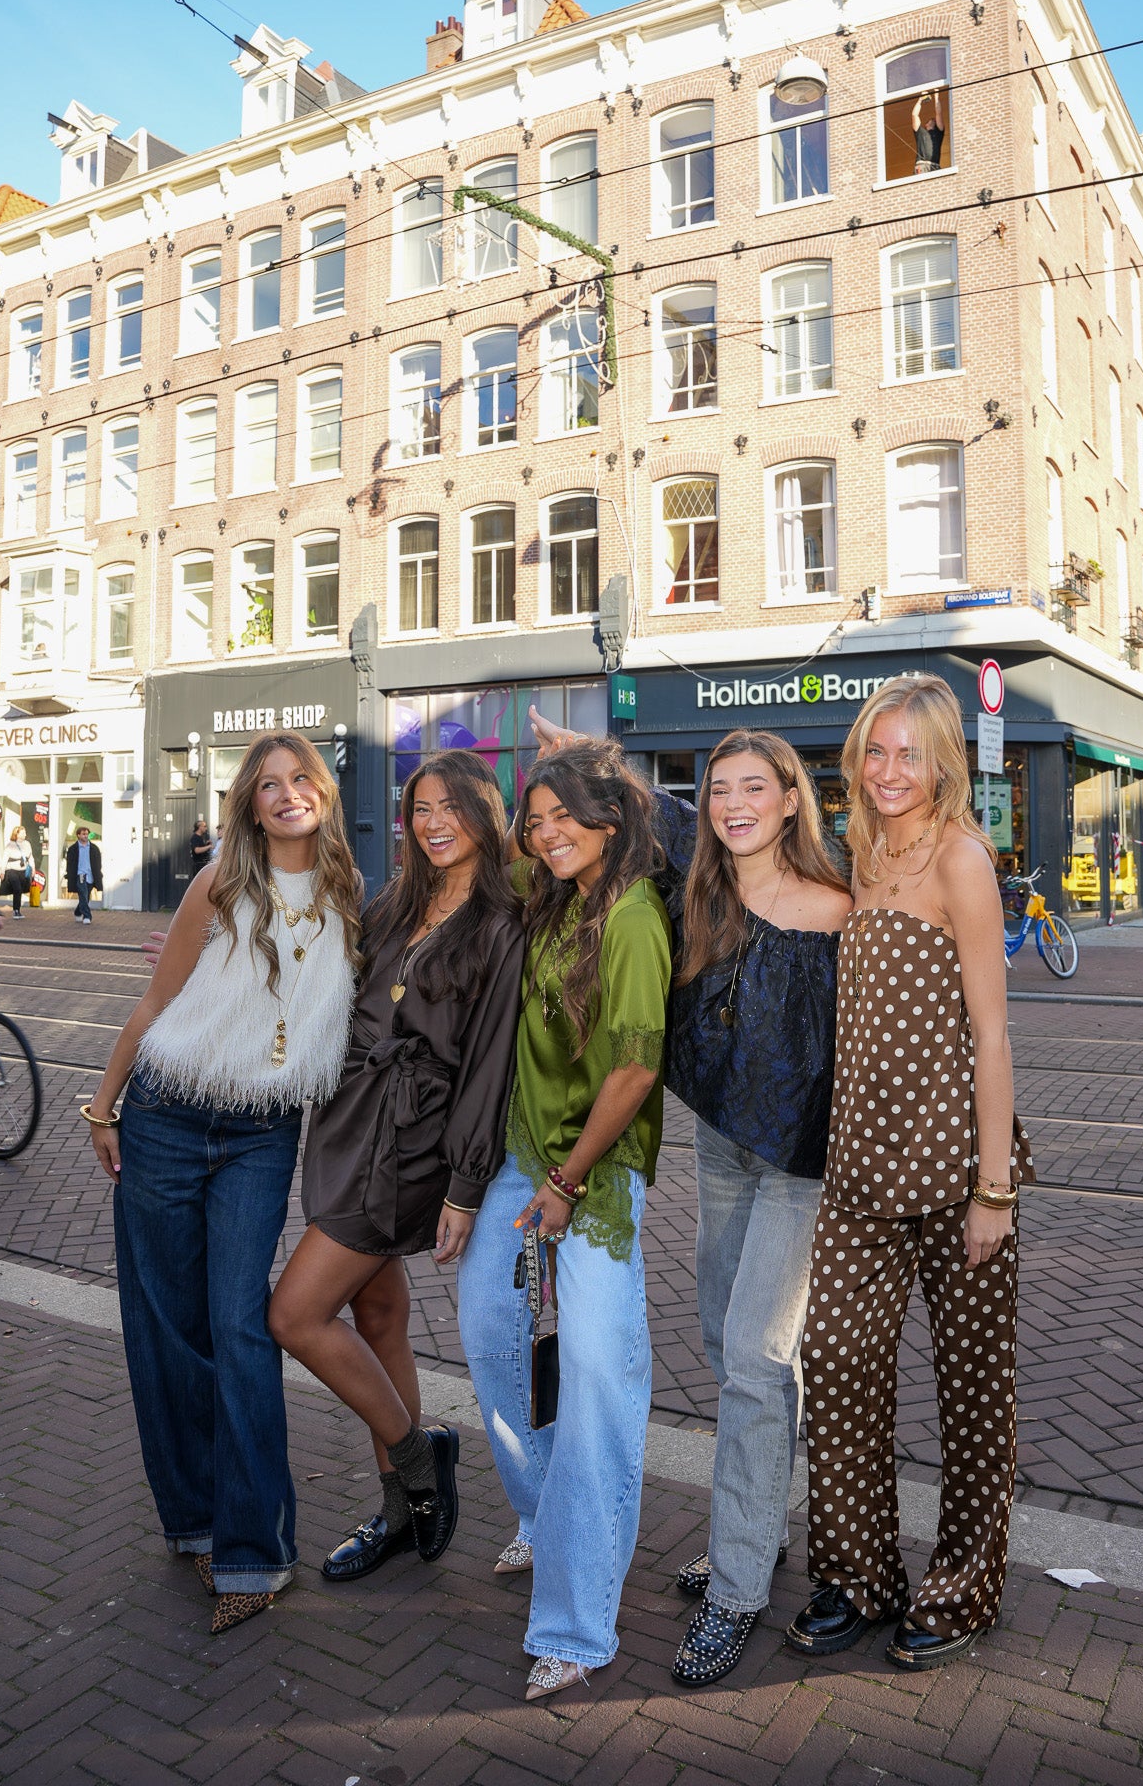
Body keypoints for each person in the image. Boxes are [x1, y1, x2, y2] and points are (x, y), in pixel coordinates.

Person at [531, 715, 850, 1689]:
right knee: (726, 1343)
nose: (736, 804)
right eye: (722, 789)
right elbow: (645, 814)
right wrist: (601, 753)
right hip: (724, 1147)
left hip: (801, 1161)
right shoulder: (697, 887)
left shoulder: (841, 904)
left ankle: (740, 1588)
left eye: (757, 787)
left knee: (757, 1357)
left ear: (793, 797)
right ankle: (755, 1525)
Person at [81, 733, 364, 1636]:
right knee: (168, 1329)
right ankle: (195, 1521)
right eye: (267, 785)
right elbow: (154, 1006)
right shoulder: (220, 884)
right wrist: (102, 1106)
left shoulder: (354, 898)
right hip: (164, 1113)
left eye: (300, 779)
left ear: (324, 790)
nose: (286, 795)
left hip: (262, 1134)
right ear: (248, 804)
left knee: (242, 1328)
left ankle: (253, 1551)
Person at [787, 673, 1035, 1670]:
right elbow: (738, 822)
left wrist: (993, 1189)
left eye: (910, 754)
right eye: (875, 752)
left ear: (944, 762)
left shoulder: (962, 860)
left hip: (953, 1165)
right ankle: (860, 1574)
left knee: (974, 1385)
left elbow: (993, 1034)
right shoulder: (860, 844)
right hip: (859, 1163)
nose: (891, 771)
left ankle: (965, 1582)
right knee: (839, 1362)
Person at [268, 750, 525, 1584]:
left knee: (295, 1316)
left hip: (407, 1145)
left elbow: (489, 1066)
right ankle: (399, 1507)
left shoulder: (502, 922)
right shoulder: (395, 902)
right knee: (377, 1316)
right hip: (345, 1120)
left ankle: (420, 1463)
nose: (433, 821)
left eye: (451, 806)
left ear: (485, 814)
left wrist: (464, 1184)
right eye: (420, 807)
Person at [457, 740, 671, 1703]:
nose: (544, 836)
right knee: (488, 1335)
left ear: (610, 820)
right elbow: (481, 849)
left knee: (593, 1376)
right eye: (534, 820)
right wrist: (554, 770)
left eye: (562, 818)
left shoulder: (628, 916)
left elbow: (633, 1071)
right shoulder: (553, 886)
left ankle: (576, 1625)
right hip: (519, 1155)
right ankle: (546, 1512)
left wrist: (569, 1183)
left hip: (594, 1171)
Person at [66, 825, 103, 924]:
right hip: (80, 874)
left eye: (87, 834)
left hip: (90, 874)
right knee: (83, 893)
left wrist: (98, 874)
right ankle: (87, 916)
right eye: (83, 834)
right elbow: (70, 863)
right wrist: (69, 874)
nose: (86, 836)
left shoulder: (94, 848)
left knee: (86, 896)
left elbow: (98, 863)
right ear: (78, 835)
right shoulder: (73, 849)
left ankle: (78, 912)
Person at [0, 825, 34, 918]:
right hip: (12, 870)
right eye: (23, 832)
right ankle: (16, 910)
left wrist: (33, 868)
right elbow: (4, 859)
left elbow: (30, 857)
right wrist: (2, 871)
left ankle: (18, 910)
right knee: (17, 889)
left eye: (25, 832)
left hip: (23, 870)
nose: (25, 834)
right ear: (17, 834)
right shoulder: (10, 845)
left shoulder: (27, 844)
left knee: (20, 890)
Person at [912, 90, 946, 172]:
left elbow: (939, 113)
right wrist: (920, 99)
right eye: (931, 120)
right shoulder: (920, 132)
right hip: (922, 166)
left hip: (935, 166)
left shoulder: (939, 133)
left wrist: (936, 95)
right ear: (926, 125)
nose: (934, 120)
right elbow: (914, 115)